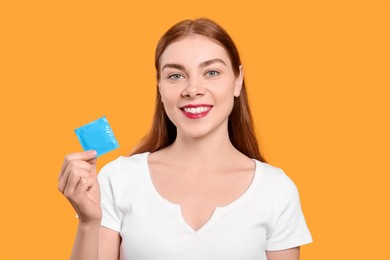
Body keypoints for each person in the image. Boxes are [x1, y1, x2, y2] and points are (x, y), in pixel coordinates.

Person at [58, 18, 312, 260]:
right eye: (176, 76)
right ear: (159, 85)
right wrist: (89, 223)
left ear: (238, 80)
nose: (192, 89)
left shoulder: (276, 189)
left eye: (211, 72)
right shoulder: (118, 179)